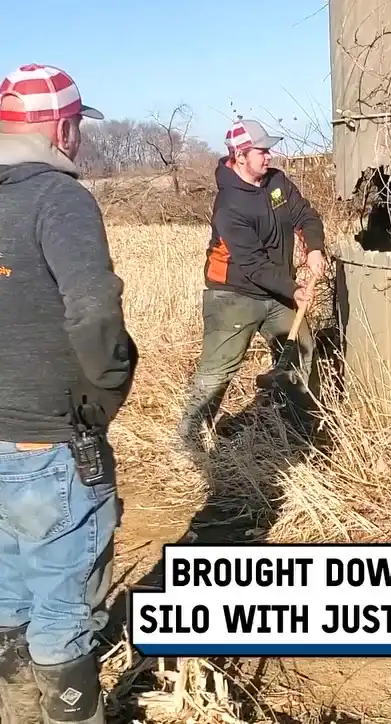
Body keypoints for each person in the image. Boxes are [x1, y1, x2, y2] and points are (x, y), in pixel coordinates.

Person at [0, 64, 138, 724]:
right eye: (77, 126)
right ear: (61, 127)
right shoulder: (60, 197)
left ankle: (15, 705)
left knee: (5, 587)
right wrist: (106, 390)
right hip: (48, 441)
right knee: (61, 599)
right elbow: (92, 308)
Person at [177, 117, 326, 447]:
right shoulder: (229, 205)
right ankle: (190, 437)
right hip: (233, 295)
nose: (269, 156)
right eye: (262, 151)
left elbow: (306, 215)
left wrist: (314, 247)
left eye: (269, 150)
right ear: (240, 155)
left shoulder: (277, 183)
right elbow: (253, 266)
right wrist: (295, 290)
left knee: (299, 351)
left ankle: (297, 431)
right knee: (218, 369)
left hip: (278, 291)